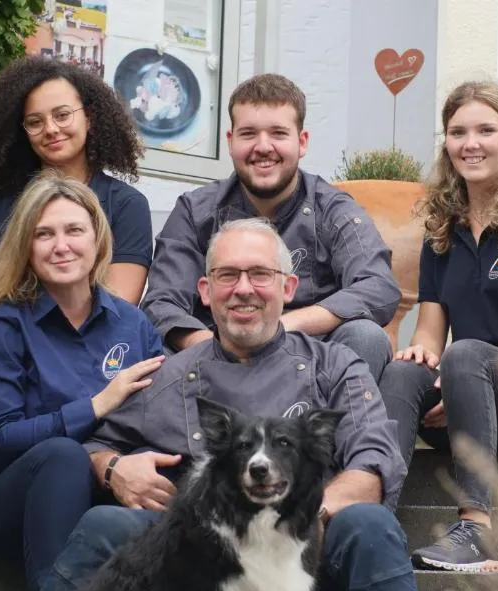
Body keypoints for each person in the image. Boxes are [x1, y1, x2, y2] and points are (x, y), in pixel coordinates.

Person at [38, 218, 418, 591]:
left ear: (288, 287)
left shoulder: (335, 366)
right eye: (227, 275)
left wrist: (304, 518)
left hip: (303, 549)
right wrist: (114, 468)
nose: (243, 289)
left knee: (370, 523)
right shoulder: (170, 375)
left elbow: (372, 462)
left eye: (260, 274)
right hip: (208, 555)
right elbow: (96, 444)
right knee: (105, 523)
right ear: (205, 291)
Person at [379, 81, 498, 572]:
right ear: (445, 142)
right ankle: (373, 519)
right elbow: (429, 331)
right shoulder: (442, 228)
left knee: (465, 354)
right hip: (466, 409)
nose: (471, 143)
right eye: (457, 131)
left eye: (486, 130)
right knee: (404, 371)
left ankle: (477, 530)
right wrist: (423, 356)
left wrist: (467, 378)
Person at [141, 73, 400, 381]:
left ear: (301, 142)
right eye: (249, 134)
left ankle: (332, 430)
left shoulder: (333, 209)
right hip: (216, 363)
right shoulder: (195, 211)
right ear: (231, 141)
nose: (263, 147)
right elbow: (162, 303)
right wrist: (216, 347)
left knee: (366, 336)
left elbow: (378, 287)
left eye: (278, 133)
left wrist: (276, 329)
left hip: (309, 364)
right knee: (152, 350)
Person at [0, 174, 165, 591]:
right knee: (62, 456)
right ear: (27, 247)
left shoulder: (132, 322)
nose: (61, 245)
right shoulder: (6, 320)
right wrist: (96, 405)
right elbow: (1, 436)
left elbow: (161, 409)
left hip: (105, 493)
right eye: (44, 234)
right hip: (16, 498)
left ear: (97, 239)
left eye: (74, 230)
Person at [0, 56, 153, 304]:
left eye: (62, 115)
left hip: (88, 341)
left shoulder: (126, 205)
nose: (51, 129)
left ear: (89, 118)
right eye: (35, 122)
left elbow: (120, 306)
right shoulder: (1, 200)